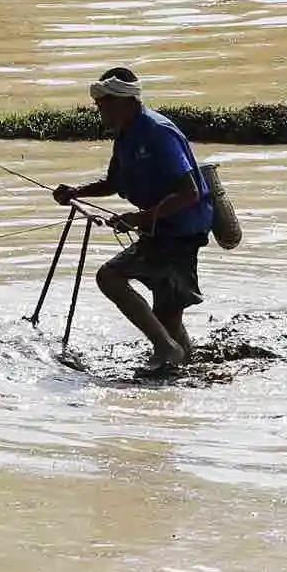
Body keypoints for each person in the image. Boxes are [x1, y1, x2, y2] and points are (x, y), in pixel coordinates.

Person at [54, 67, 215, 369]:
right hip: (161, 229)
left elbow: (189, 193)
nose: (100, 111)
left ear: (126, 102)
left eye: (105, 105)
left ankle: (167, 351)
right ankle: (182, 364)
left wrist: (141, 218)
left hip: (180, 231)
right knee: (168, 316)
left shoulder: (157, 132)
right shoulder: (126, 135)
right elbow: (114, 182)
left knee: (109, 277)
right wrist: (77, 192)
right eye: (99, 105)